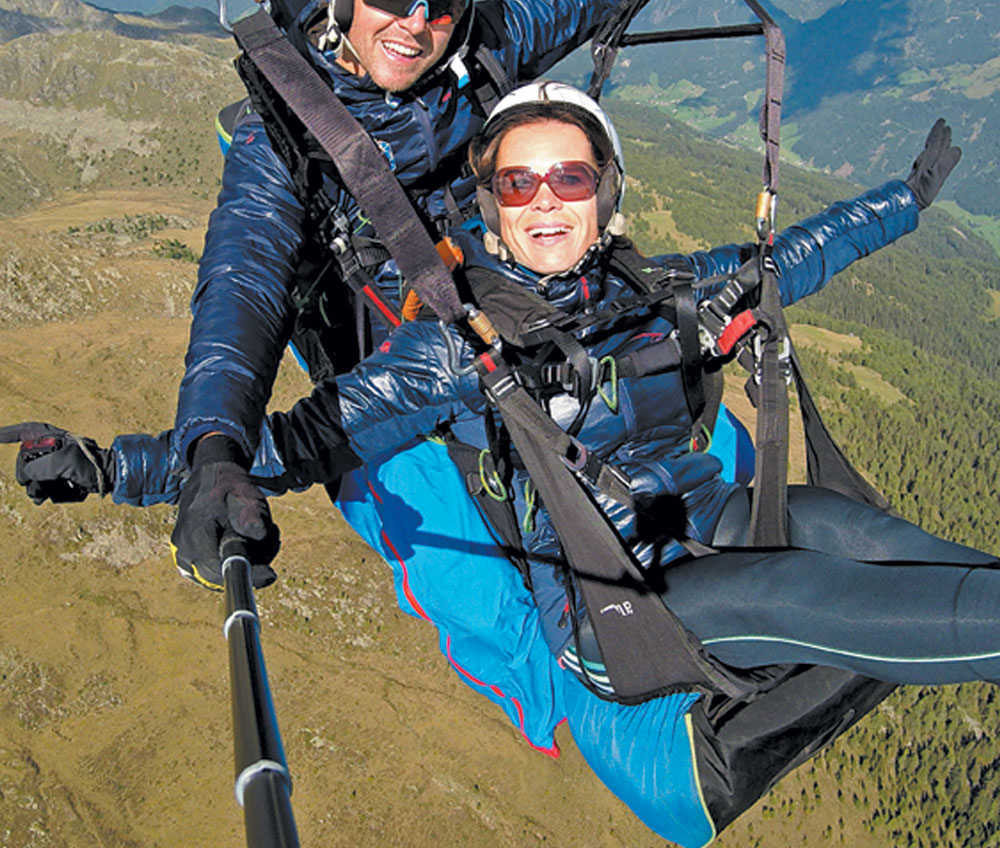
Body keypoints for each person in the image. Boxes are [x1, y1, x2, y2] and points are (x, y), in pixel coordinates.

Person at [3, 84, 985, 847]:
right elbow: (286, 445)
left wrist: (900, 202)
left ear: (606, 194)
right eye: (518, 183)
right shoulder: (455, 349)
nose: (546, 200)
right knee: (795, 585)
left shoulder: (661, 288)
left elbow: (797, 256)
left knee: (857, 531)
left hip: (707, 516)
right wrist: (103, 467)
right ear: (490, 208)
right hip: (616, 612)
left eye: (570, 178)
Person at [172, 0, 690, 589]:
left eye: (440, 6)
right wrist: (216, 449)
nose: (415, 25)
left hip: (500, 304)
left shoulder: (478, 51)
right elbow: (241, 283)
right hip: (390, 366)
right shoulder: (284, 128)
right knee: (484, 582)